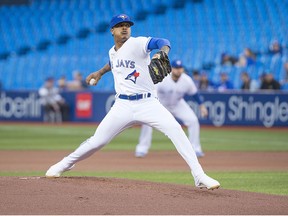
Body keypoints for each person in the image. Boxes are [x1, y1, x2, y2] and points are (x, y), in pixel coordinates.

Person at [45, 14, 220, 190]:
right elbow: (113, 62)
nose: (124, 28)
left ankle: (199, 175)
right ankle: (65, 164)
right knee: (97, 141)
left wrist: (162, 52)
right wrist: (99, 72)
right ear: (112, 30)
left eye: (127, 25)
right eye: (120, 25)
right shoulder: (112, 51)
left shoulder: (137, 43)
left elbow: (163, 41)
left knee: (176, 130)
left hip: (148, 103)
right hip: (122, 106)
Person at [135, 59, 208, 158]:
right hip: (161, 104)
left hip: (178, 104)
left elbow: (195, 94)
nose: (178, 70)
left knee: (193, 120)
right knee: (147, 122)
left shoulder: (187, 80)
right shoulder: (162, 78)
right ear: (171, 68)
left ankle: (195, 148)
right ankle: (142, 148)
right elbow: (152, 93)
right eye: (176, 68)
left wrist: (202, 106)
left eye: (180, 68)